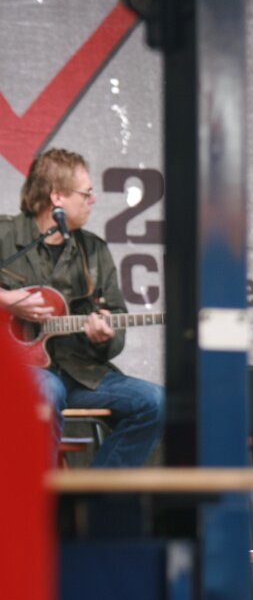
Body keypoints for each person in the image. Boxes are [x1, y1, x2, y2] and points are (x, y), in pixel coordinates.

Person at [0, 147, 164, 466]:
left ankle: (98, 493)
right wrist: (7, 301)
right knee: (46, 392)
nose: (93, 199)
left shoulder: (94, 251)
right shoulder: (5, 234)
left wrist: (104, 336)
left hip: (80, 372)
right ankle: (37, 493)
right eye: (86, 193)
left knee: (155, 402)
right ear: (57, 197)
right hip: (19, 372)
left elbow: (116, 316)